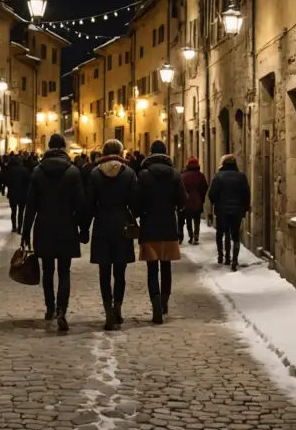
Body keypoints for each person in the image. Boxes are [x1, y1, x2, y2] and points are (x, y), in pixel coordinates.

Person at [22, 133, 86, 331]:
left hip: (44, 226)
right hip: (66, 226)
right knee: (64, 271)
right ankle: (62, 310)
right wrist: (83, 228)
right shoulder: (73, 172)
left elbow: (30, 205)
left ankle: (49, 307)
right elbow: (81, 204)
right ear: (64, 148)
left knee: (48, 271)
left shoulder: (38, 172)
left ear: (49, 147)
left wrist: (25, 230)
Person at [82, 139, 137, 331]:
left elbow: (89, 204)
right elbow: (135, 203)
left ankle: (107, 312)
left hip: (102, 224)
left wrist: (84, 228)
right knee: (120, 272)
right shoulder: (129, 173)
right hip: (122, 225)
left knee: (104, 272)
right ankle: (118, 309)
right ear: (121, 152)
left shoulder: (95, 174)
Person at [134, 140, 187, 324]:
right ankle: (164, 302)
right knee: (166, 266)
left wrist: (140, 213)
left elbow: (136, 203)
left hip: (150, 226)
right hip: (168, 226)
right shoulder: (174, 175)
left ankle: (155, 302)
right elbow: (182, 200)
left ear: (150, 153)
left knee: (151, 268)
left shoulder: (144, 175)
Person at [208, 153, 251, 271]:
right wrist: (245, 208)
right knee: (235, 235)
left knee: (222, 232)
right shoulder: (241, 177)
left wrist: (215, 203)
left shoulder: (218, 177)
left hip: (222, 210)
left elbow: (212, 194)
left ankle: (223, 256)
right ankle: (235, 260)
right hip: (237, 210)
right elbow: (246, 194)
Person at [180, 157, 208, 245]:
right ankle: (196, 235)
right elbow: (205, 187)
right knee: (197, 220)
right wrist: (201, 196)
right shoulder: (200, 175)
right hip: (197, 200)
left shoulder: (183, 176)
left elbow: (180, 188)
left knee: (188, 220)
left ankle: (190, 235)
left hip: (187, 201)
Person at [2, 155, 31, 233]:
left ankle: (14, 227)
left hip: (12, 193)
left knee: (13, 211)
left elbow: (6, 181)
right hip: (23, 194)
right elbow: (28, 182)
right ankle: (20, 228)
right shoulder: (25, 170)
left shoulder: (10, 170)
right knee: (21, 213)